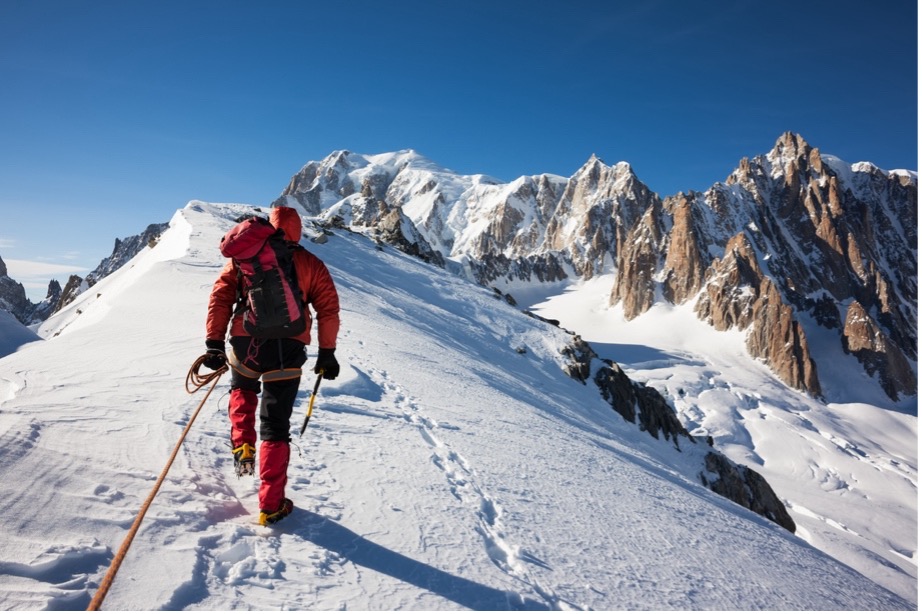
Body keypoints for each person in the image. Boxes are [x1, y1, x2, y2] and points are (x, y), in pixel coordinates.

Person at [203, 205, 341, 526]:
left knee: (243, 390)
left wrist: (213, 342)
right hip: (289, 349)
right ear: (297, 230)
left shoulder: (245, 258)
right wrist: (327, 352)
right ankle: (271, 505)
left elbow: (221, 297)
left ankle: (243, 449)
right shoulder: (310, 263)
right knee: (276, 424)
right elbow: (328, 309)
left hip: (246, 342)